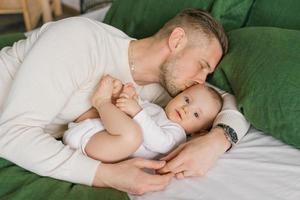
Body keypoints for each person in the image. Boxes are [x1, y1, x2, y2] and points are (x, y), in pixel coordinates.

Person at [0, 8, 250, 195]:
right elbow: (12, 134)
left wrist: (216, 142)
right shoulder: (79, 40)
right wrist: (106, 175)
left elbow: (228, 101)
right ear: (176, 41)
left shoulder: (157, 91)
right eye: (201, 66)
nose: (200, 82)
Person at [63, 75, 223, 163]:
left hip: (97, 145)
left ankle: (102, 102)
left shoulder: (177, 135)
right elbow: (134, 108)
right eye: (187, 100)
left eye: (196, 115)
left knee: (131, 133)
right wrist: (129, 96)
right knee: (118, 109)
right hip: (88, 130)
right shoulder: (157, 109)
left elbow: (158, 141)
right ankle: (102, 104)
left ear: (199, 131)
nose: (186, 109)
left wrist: (137, 111)